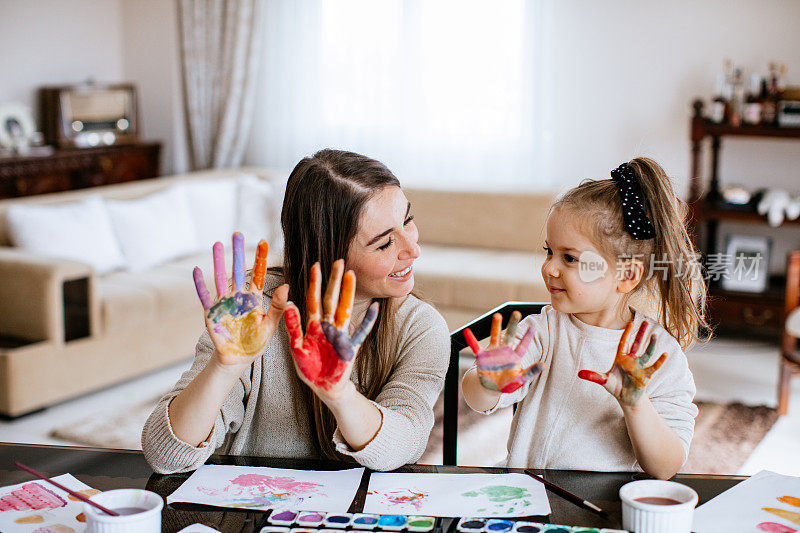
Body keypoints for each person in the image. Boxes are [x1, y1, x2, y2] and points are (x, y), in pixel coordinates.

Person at [142, 149, 450, 474]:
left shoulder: (421, 326)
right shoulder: (255, 316)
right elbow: (166, 457)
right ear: (330, 253)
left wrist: (340, 393)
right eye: (385, 243)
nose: (413, 249)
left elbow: (403, 445)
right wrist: (224, 366)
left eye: (408, 220)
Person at [462, 158, 708, 479]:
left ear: (627, 275)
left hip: (605, 507)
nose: (550, 268)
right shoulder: (543, 331)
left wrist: (634, 403)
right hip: (528, 496)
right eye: (549, 251)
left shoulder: (658, 355)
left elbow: (666, 466)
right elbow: (476, 400)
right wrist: (486, 382)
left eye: (569, 258)